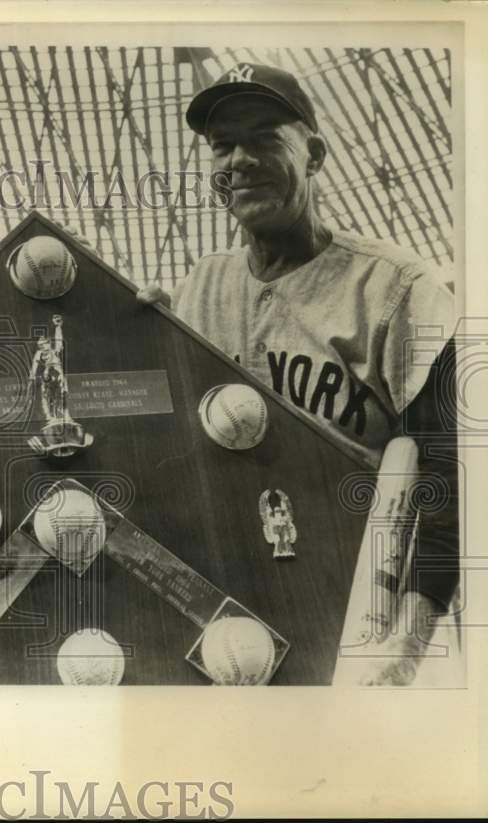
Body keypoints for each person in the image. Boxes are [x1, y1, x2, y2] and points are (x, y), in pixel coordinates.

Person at [137, 63, 458, 686]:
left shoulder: (398, 288)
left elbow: (452, 480)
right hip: (225, 595)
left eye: (264, 137)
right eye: (222, 144)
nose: (240, 159)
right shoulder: (201, 283)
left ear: (314, 154)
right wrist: (137, 342)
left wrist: (411, 641)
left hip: (354, 598)